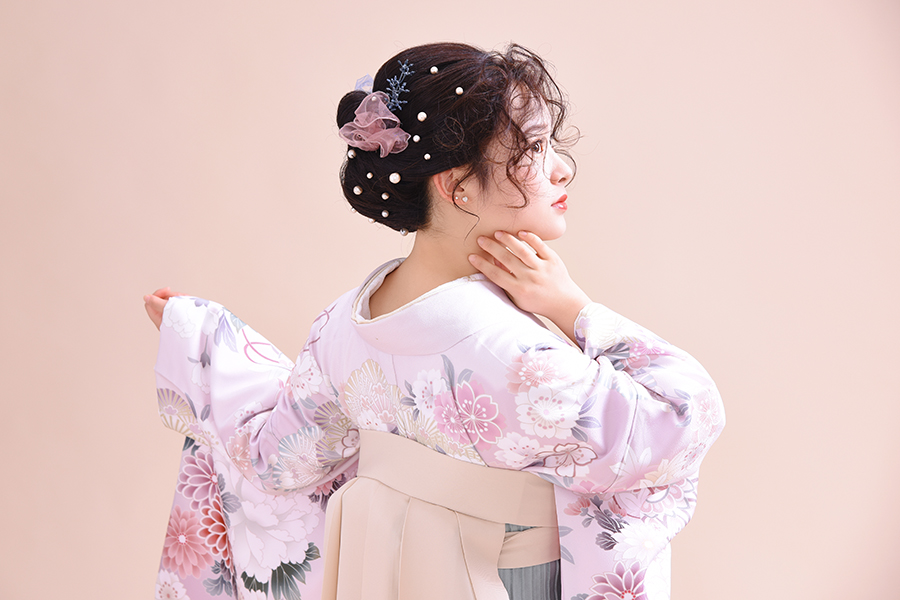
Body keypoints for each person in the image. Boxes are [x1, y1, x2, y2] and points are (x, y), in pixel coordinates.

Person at [144, 42, 724, 600]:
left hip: (383, 576)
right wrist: (573, 308)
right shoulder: (515, 355)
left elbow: (277, 458)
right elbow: (681, 421)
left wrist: (201, 340)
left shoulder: (343, 325)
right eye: (534, 147)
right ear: (457, 187)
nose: (562, 168)